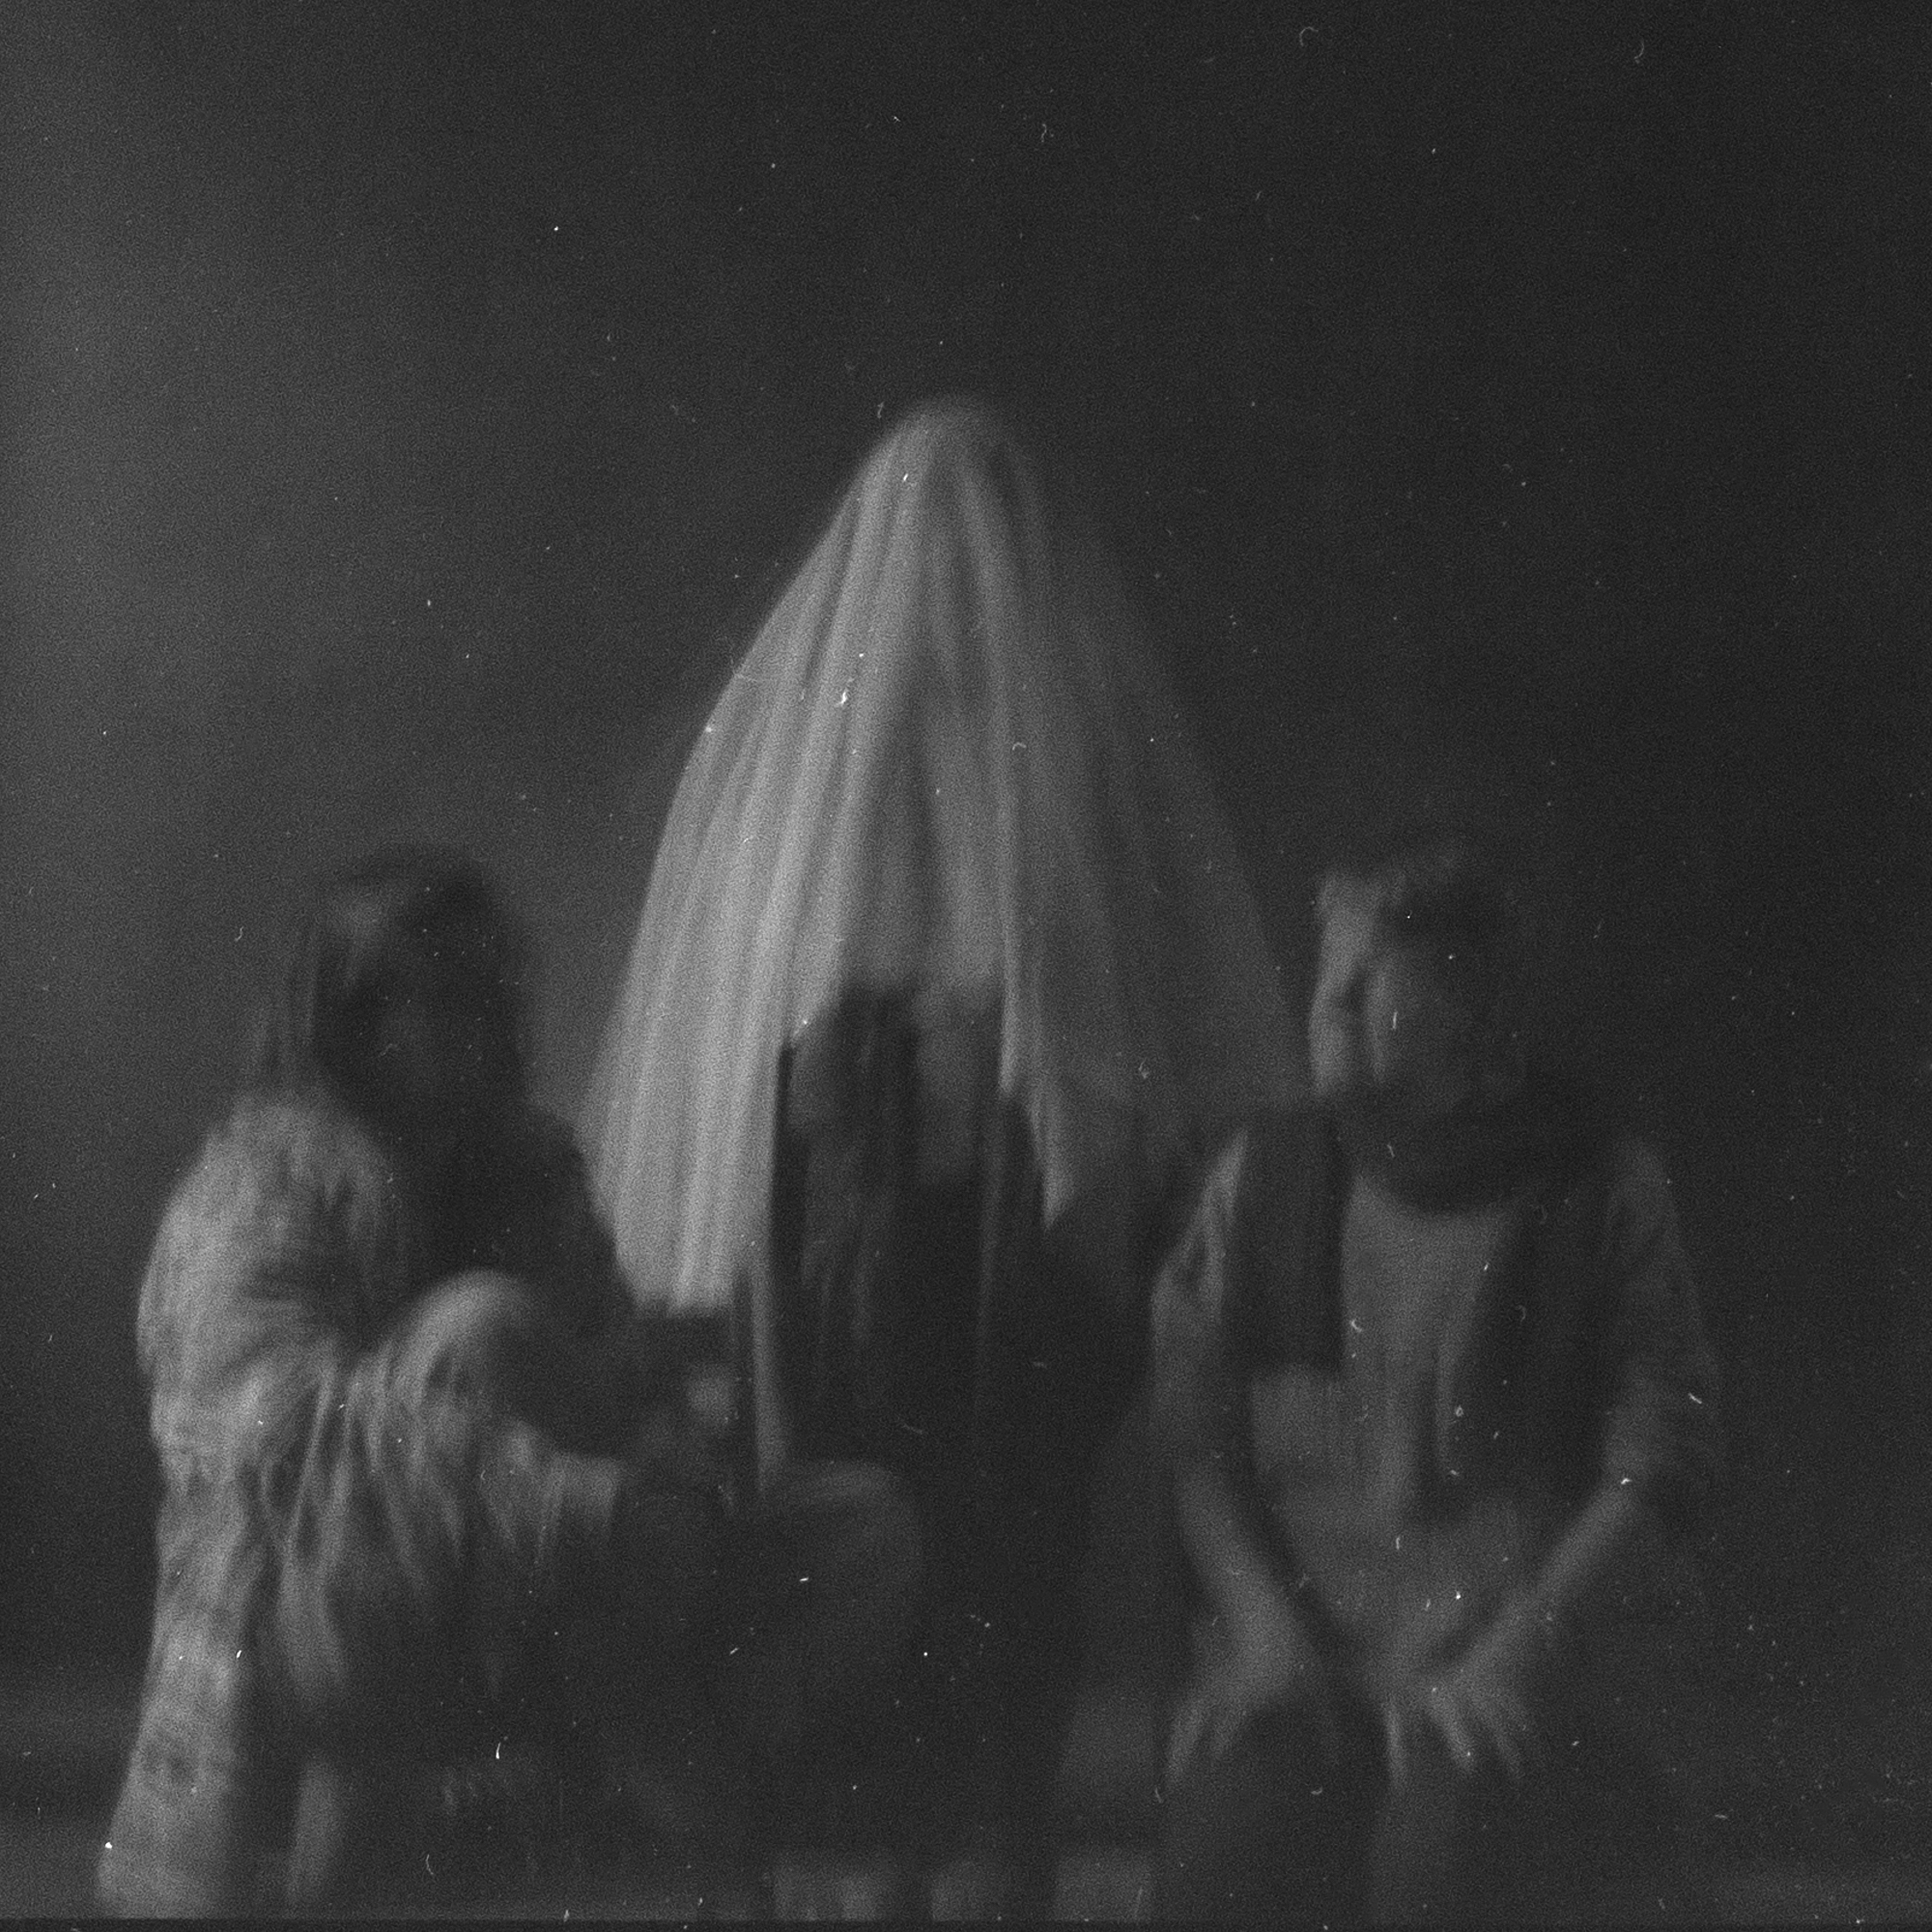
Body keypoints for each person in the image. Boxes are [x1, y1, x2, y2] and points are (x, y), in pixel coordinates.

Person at [584, 400, 1302, 1912]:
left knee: (987, 1534)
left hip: (990, 1225)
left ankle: (965, 1830)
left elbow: (1108, 1038)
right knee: (888, 1530)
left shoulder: (1035, 764)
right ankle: (908, 1831)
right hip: (882, 1213)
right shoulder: (847, 767)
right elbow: (789, 1051)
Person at [99, 849, 916, 1915]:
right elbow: (278, 1442)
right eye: (439, 992)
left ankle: (658, 1802)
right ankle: (671, 1802)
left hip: (546, 1601)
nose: (477, 1018)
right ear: (349, 1017)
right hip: (318, 1606)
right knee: (481, 1333)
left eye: (489, 986)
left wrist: (669, 1457)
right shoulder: (260, 1183)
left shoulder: (529, 1169)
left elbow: (621, 1373)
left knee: (861, 1526)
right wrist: (584, 1507)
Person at [1150, 832, 1721, 1922]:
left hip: (1518, 1661)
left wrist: (1516, 1654)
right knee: (1223, 1852)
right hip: (1309, 1657)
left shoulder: (1600, 1195)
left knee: (1443, 1865)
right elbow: (1193, 1435)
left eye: (1376, 978)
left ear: (1481, 1034)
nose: (1333, 1000)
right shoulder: (1261, 1182)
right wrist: (1261, 1625)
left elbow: (1656, 1466)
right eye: (1331, 972)